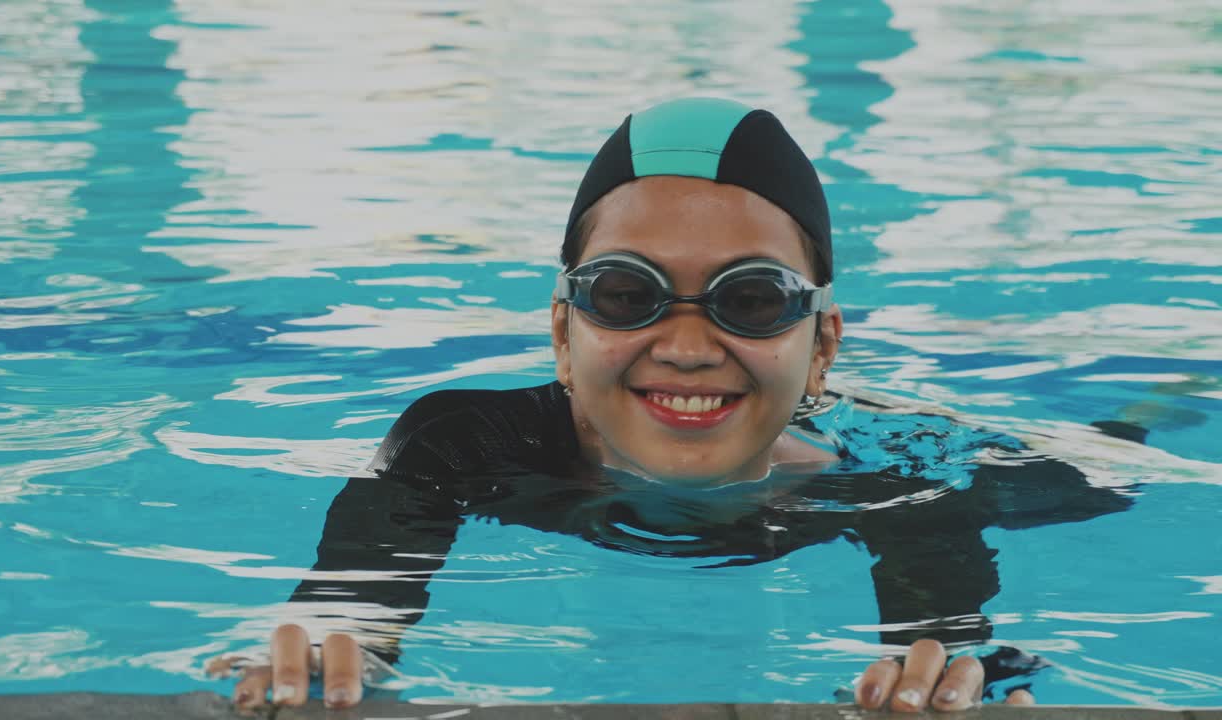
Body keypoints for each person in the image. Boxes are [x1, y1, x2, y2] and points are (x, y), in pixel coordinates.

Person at [212, 97, 1133, 711]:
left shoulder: (908, 481)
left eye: (753, 300)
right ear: (563, 332)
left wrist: (958, 687)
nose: (687, 347)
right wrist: (325, 654)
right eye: (626, 295)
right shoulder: (459, 446)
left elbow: (959, 663)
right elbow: (347, 614)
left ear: (822, 346)